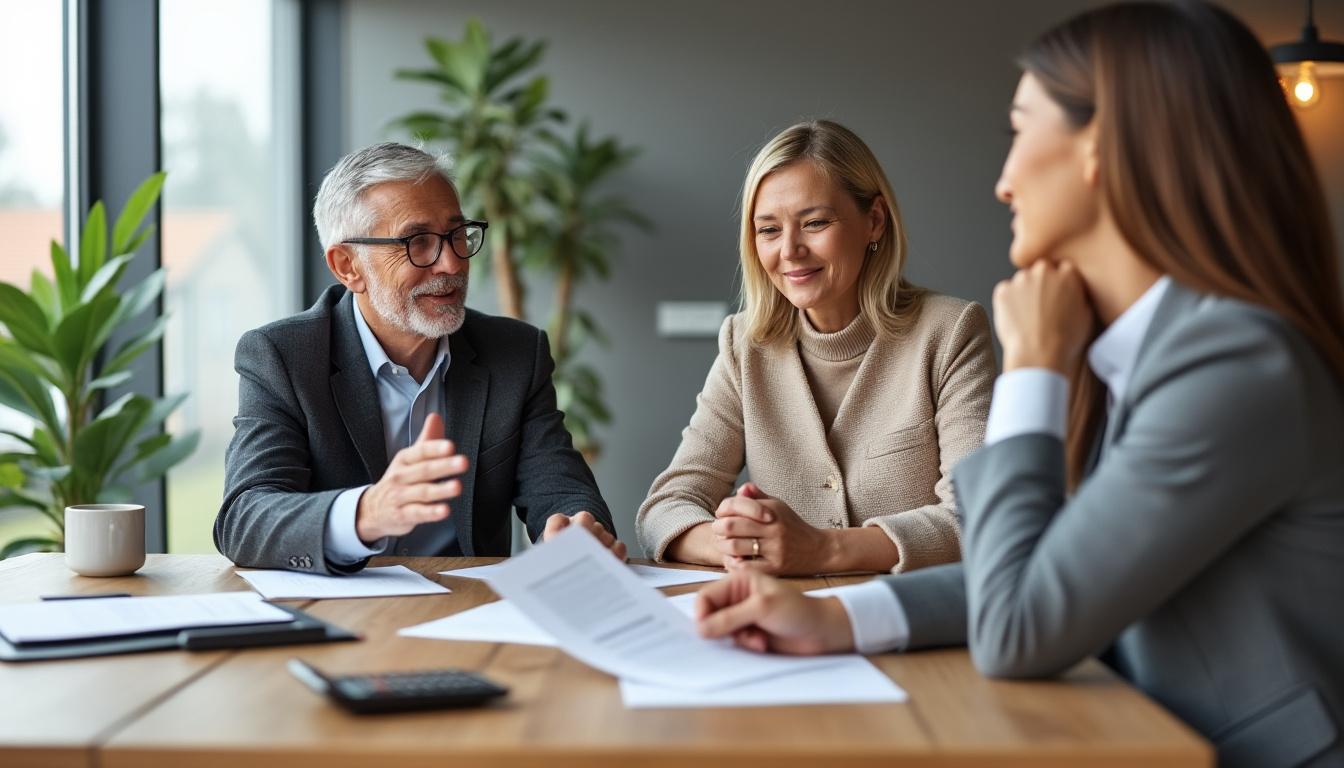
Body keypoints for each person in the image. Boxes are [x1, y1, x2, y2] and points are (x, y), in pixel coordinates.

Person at [694, 3, 1344, 764]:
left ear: (1097, 149)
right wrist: (838, 621)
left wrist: (1034, 368)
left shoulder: (1234, 365)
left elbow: (1018, 625)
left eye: (1019, 130)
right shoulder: (1150, 346)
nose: (1003, 183)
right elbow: (1043, 574)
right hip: (1137, 734)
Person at [216, 142, 625, 573]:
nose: (451, 263)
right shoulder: (284, 356)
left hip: (468, 611)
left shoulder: (515, 354)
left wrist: (574, 530)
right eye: (418, 242)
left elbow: (560, 488)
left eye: (456, 235)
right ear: (347, 266)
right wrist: (367, 513)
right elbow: (245, 518)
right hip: (341, 613)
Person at [637, 120, 996, 576]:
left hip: (913, 624)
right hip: (782, 622)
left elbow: (977, 515)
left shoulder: (950, 331)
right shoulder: (744, 344)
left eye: (815, 223)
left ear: (875, 221)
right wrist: (741, 545)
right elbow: (666, 507)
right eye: (768, 230)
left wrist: (820, 550)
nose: (789, 250)